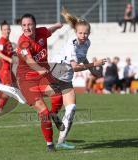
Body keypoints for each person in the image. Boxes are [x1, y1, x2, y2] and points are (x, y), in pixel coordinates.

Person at [49, 9, 106, 149]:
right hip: (56, 73)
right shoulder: (71, 44)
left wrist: (93, 72)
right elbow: (75, 67)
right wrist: (94, 64)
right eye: (80, 33)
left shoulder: (87, 43)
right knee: (43, 101)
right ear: (76, 32)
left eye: (85, 33)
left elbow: (82, 58)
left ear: (89, 33)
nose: (83, 35)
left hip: (66, 77)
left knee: (72, 108)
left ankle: (61, 141)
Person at [16, 13, 64, 152]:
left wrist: (57, 25)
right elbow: (30, 60)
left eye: (29, 24)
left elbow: (49, 31)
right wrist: (39, 69)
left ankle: (55, 115)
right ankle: (50, 144)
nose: (27, 28)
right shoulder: (23, 42)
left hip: (42, 75)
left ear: (35, 25)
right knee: (44, 112)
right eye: (24, 25)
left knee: (58, 97)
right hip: (27, 80)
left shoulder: (41, 32)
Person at [0, 20, 15, 113]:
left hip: (8, 69)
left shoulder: (8, 41)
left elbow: (8, 53)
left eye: (8, 29)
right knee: (9, 89)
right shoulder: (2, 40)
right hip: (4, 69)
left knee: (14, 87)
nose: (7, 31)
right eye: (5, 29)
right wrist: (9, 59)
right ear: (1, 31)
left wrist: (15, 53)